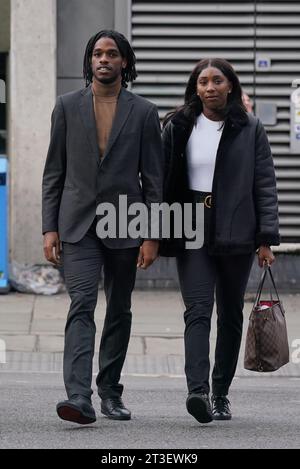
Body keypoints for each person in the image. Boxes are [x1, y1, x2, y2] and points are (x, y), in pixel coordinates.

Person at [42, 30, 163, 424]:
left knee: (120, 309)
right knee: (82, 306)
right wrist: (49, 228)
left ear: (124, 62)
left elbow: (154, 181)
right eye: (97, 53)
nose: (104, 59)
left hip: (127, 225)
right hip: (77, 226)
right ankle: (78, 396)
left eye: (112, 53)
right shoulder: (66, 106)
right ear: (89, 60)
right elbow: (53, 174)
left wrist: (152, 233)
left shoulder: (144, 112)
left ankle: (110, 391)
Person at [161, 58, 280, 424]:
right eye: (202, 81)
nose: (209, 87)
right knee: (197, 311)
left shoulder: (250, 127)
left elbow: (265, 183)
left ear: (231, 86)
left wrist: (266, 239)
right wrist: (153, 231)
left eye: (217, 80)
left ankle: (221, 393)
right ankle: (197, 391)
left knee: (229, 314)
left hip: (236, 228)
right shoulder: (178, 125)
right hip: (190, 225)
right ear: (195, 88)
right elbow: (159, 180)